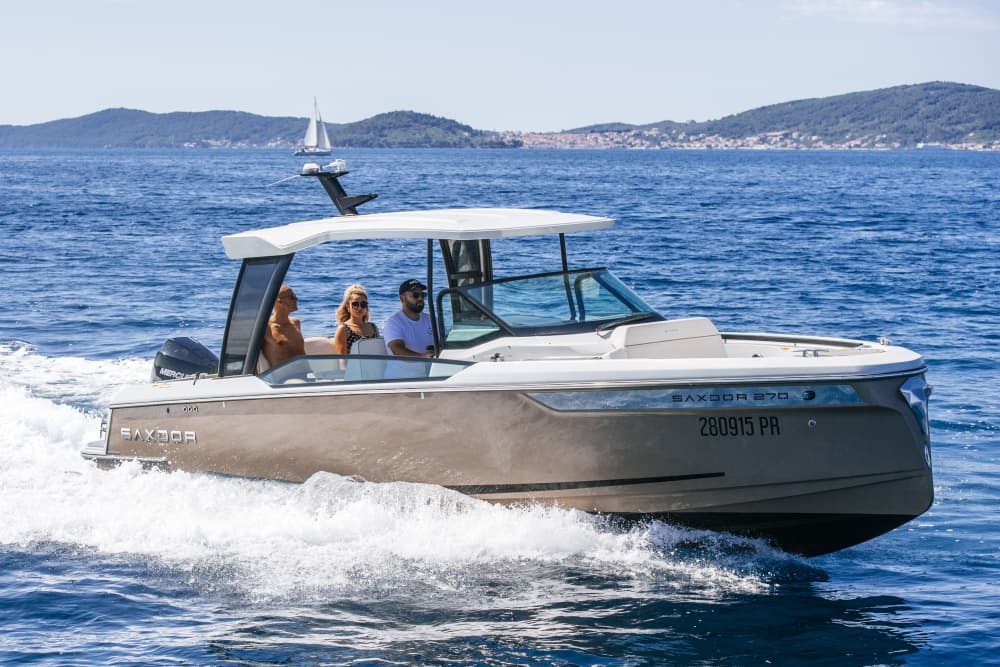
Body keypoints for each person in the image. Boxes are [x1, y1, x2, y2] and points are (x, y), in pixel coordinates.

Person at [384, 278, 434, 357]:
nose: (420, 298)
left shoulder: (431, 320)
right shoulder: (393, 323)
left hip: (429, 368)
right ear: (402, 298)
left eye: (423, 295)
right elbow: (397, 350)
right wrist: (421, 357)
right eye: (415, 295)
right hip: (401, 369)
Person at [261, 284, 305, 367]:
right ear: (279, 301)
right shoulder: (266, 327)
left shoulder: (296, 323)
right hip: (283, 378)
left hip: (307, 374)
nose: (296, 299)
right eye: (292, 297)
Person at [333, 283, 381, 354]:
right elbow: (342, 361)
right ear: (348, 306)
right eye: (355, 304)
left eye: (363, 304)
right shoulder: (343, 330)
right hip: (353, 365)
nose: (359, 308)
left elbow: (379, 354)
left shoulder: (373, 328)